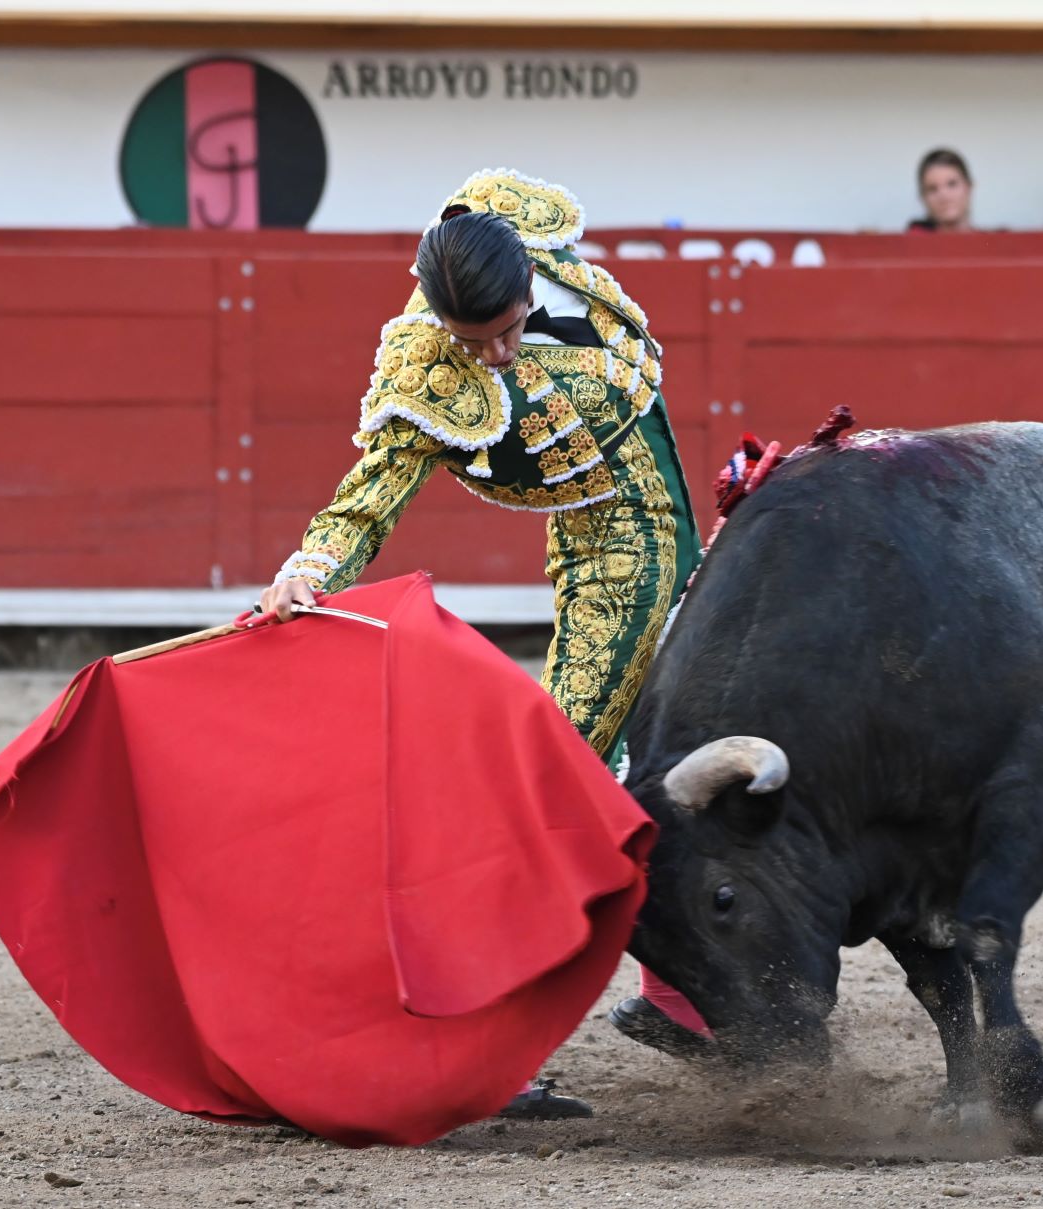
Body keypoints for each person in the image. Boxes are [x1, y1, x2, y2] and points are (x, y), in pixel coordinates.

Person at [259, 168, 710, 1115]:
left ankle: (679, 998)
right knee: (557, 785)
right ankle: (488, 1045)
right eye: (474, 342)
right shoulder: (429, 366)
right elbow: (370, 492)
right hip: (608, 563)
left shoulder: (526, 240)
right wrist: (311, 567)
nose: (495, 355)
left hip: (676, 544)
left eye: (505, 330)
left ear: (529, 280)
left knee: (644, 762)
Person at [908, 148, 975, 233]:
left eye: (952, 184)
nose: (944, 196)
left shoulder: (989, 239)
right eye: (932, 189)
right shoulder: (912, 238)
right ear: (923, 197)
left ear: (969, 187)